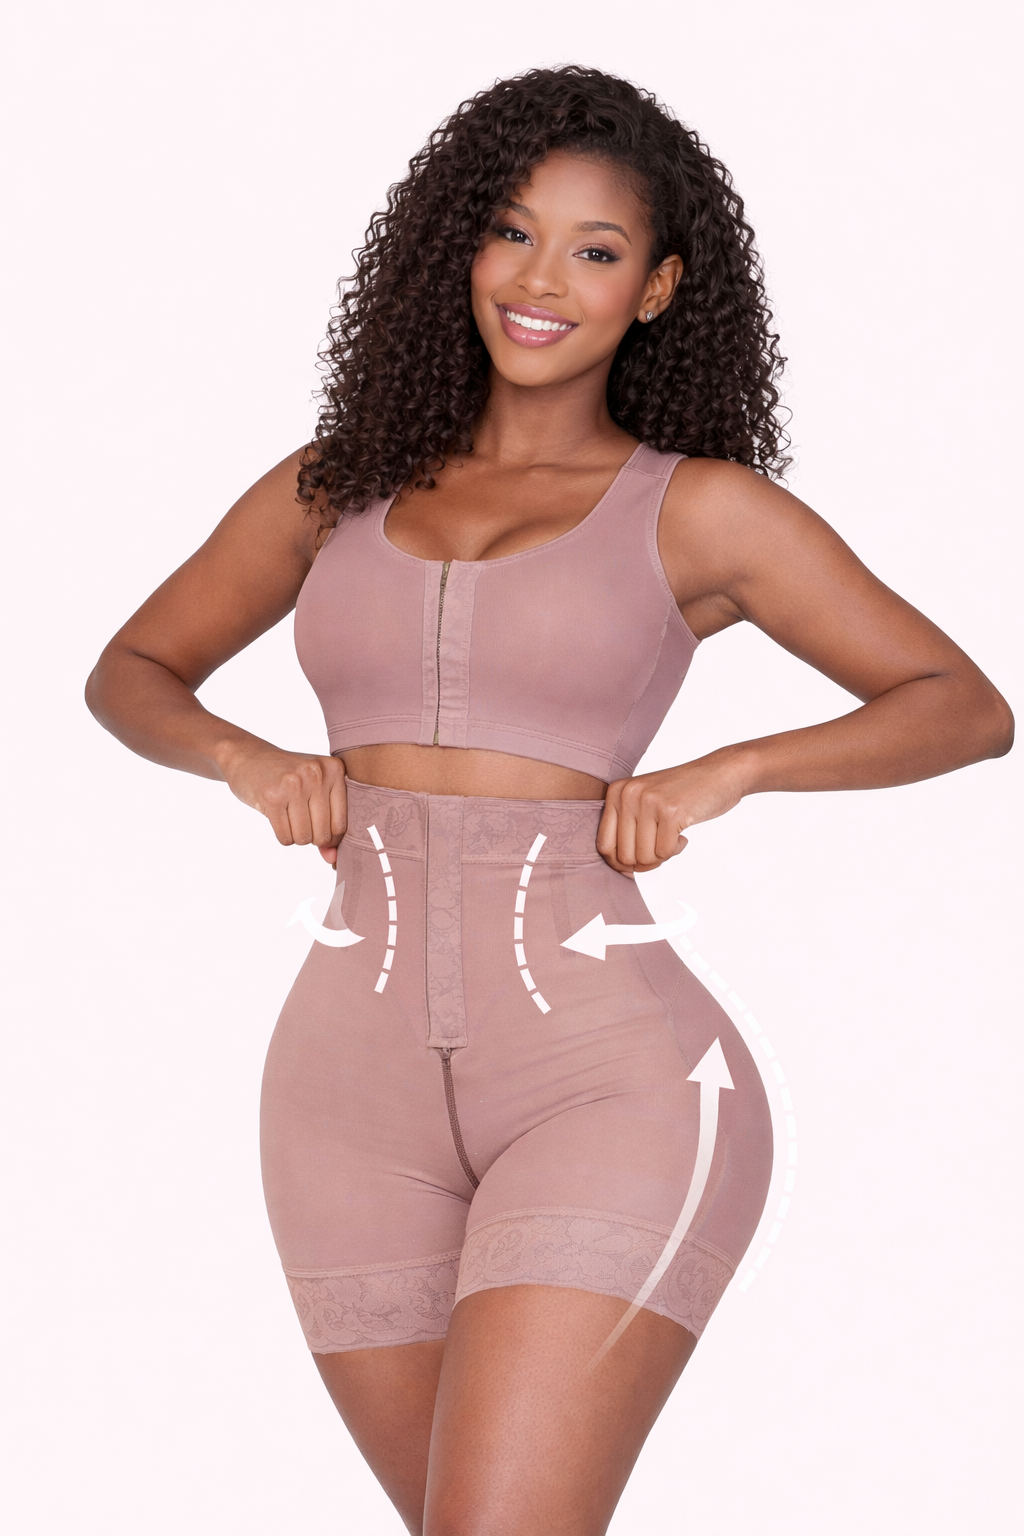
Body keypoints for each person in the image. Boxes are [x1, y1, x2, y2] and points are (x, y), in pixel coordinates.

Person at [86, 66, 1012, 1536]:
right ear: (460, 245)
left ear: (657, 289)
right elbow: (130, 670)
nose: (540, 280)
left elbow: (963, 705)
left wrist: (728, 770)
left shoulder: (701, 509)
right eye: (513, 232)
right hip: (341, 1094)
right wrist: (244, 758)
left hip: (609, 1077)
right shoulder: (335, 485)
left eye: (595, 249)